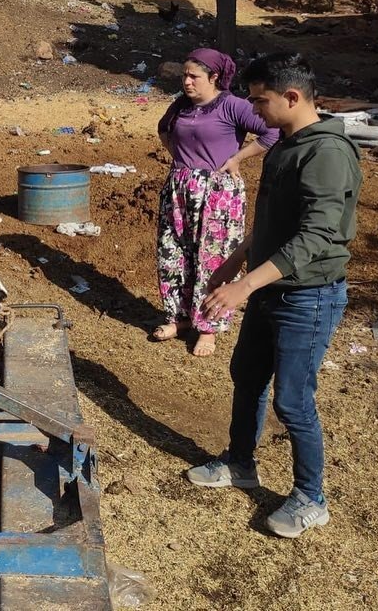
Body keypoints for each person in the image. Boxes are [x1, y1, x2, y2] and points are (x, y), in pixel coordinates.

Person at [186, 53, 361, 539]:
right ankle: (241, 462)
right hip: (270, 286)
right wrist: (238, 258)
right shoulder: (287, 144)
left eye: (261, 101)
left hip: (307, 295)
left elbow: (317, 236)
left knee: (293, 400)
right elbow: (275, 223)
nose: (255, 112)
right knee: (247, 375)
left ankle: (311, 497)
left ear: (292, 97)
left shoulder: (325, 153)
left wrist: (244, 285)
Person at [153, 48, 279, 356]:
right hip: (180, 189)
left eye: (194, 76)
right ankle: (180, 317)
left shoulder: (232, 106)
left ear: (214, 77)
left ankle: (209, 328)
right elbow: (163, 130)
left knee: (214, 258)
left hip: (218, 193)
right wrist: (181, 161)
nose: (187, 82)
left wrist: (238, 158)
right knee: (174, 254)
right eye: (184, 75)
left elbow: (271, 132)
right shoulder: (181, 105)